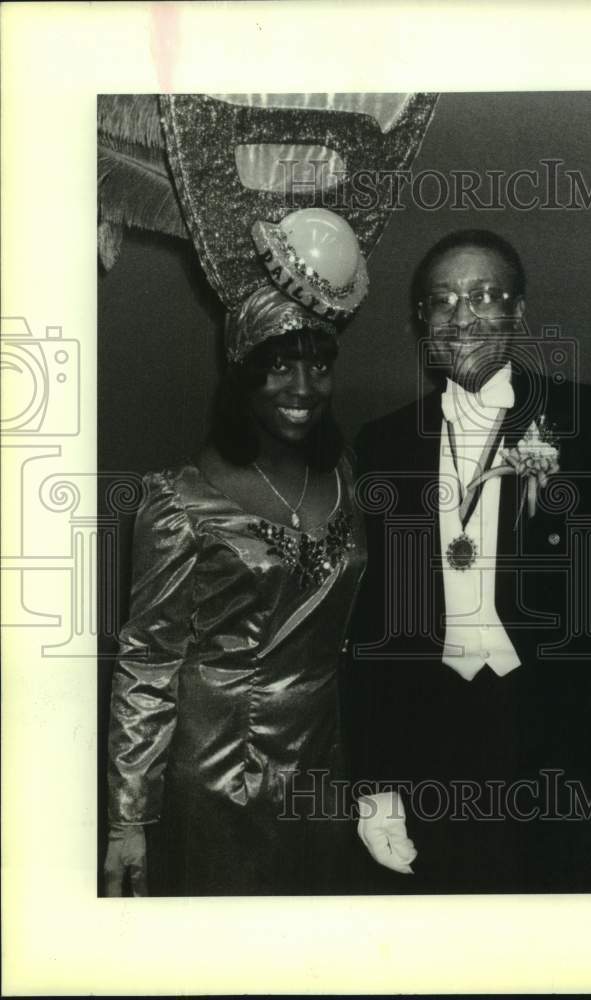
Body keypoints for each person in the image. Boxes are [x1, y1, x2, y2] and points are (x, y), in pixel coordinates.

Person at [344, 229, 591, 893]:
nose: (461, 315)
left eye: (483, 295)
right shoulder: (383, 444)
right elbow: (374, 624)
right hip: (429, 744)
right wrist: (373, 784)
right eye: (441, 301)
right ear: (420, 321)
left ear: (518, 313)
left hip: (564, 739)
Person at [104, 286, 367, 896]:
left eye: (318, 366)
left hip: (324, 764)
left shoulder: (349, 475)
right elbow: (146, 661)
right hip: (218, 768)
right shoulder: (180, 501)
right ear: (241, 370)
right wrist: (128, 818)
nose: (303, 388)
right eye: (278, 365)